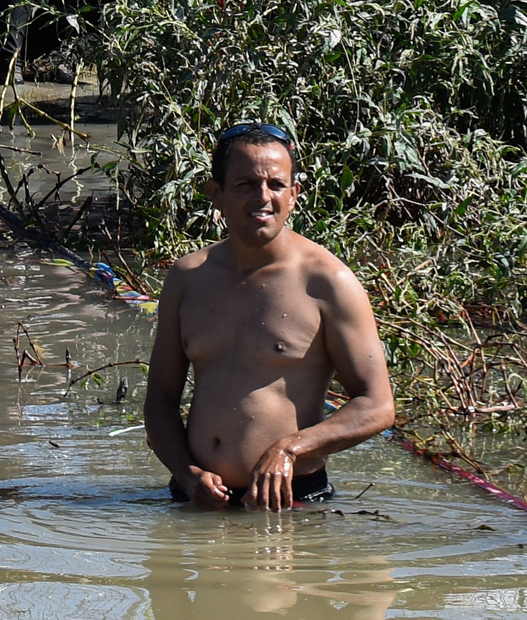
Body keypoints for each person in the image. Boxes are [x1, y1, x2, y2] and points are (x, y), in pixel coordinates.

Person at [145, 124, 395, 510]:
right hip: (194, 501)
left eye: (276, 185)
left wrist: (290, 449)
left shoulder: (328, 282)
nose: (263, 197)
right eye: (245, 184)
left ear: (294, 195)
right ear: (217, 194)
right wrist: (185, 473)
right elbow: (160, 401)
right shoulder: (188, 277)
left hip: (289, 505)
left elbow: (377, 405)